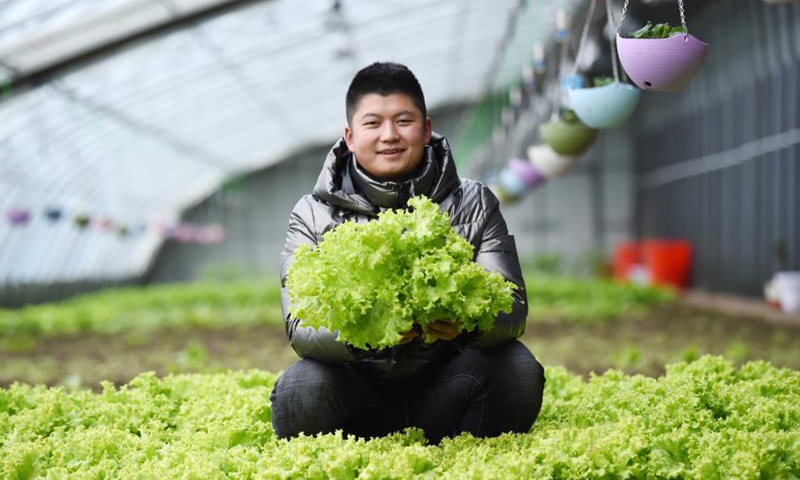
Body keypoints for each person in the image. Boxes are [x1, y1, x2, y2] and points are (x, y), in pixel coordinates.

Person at [270, 62, 545, 444]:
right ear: (349, 137)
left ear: (427, 128)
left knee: (515, 368)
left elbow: (512, 307)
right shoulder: (312, 214)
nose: (389, 136)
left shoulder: (474, 202)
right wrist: (365, 335)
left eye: (403, 121)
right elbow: (300, 327)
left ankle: (466, 460)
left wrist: (469, 324)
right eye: (372, 124)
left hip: (448, 387)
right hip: (359, 395)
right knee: (301, 386)